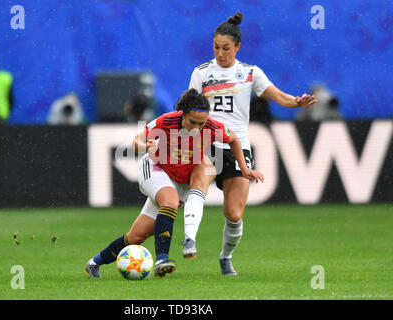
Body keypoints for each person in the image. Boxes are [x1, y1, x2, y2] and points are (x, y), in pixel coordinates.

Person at [184, 12, 318, 275]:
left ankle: (225, 256)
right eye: (216, 48)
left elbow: (279, 96)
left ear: (237, 47)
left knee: (234, 214)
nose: (220, 54)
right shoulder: (201, 73)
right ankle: (189, 239)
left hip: (237, 147)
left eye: (226, 48)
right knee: (197, 186)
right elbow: (187, 109)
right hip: (207, 143)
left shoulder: (249, 73)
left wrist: (297, 102)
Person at [84, 88, 264, 279]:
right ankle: (162, 260)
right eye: (192, 122)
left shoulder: (212, 126)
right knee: (170, 201)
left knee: (136, 236)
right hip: (154, 169)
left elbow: (234, 139)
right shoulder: (166, 121)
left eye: (200, 124)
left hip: (179, 180)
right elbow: (136, 140)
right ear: (183, 114)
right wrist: (147, 147)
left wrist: (244, 168)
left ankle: (94, 263)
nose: (196, 128)